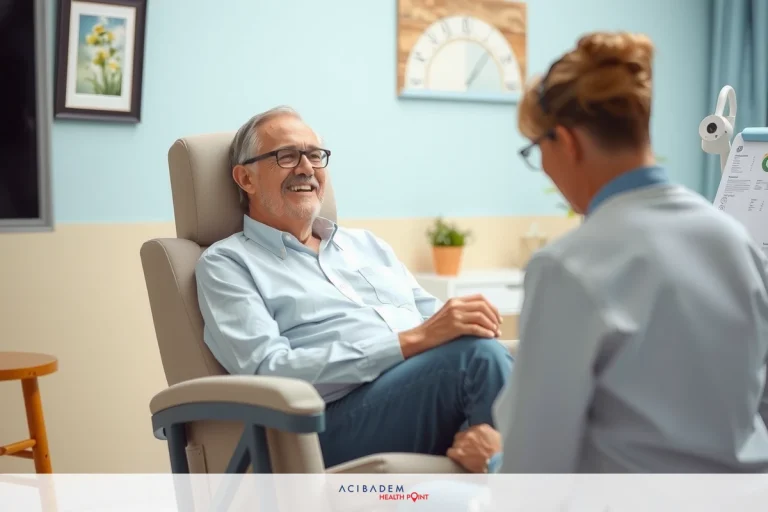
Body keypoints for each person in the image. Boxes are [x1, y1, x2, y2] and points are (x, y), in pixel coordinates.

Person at [449, 31, 768, 473]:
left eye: (536, 149)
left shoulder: (569, 266)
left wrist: (494, 460)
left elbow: (535, 473)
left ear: (567, 141)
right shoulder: (737, 242)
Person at [195, 106, 513, 469]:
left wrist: (464, 323)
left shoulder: (367, 244)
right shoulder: (227, 263)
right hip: (325, 426)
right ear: (245, 179)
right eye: (286, 156)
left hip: (419, 393)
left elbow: (437, 322)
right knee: (477, 359)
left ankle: (503, 466)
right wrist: (410, 342)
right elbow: (269, 373)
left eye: (315, 155)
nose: (306, 168)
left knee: (506, 357)